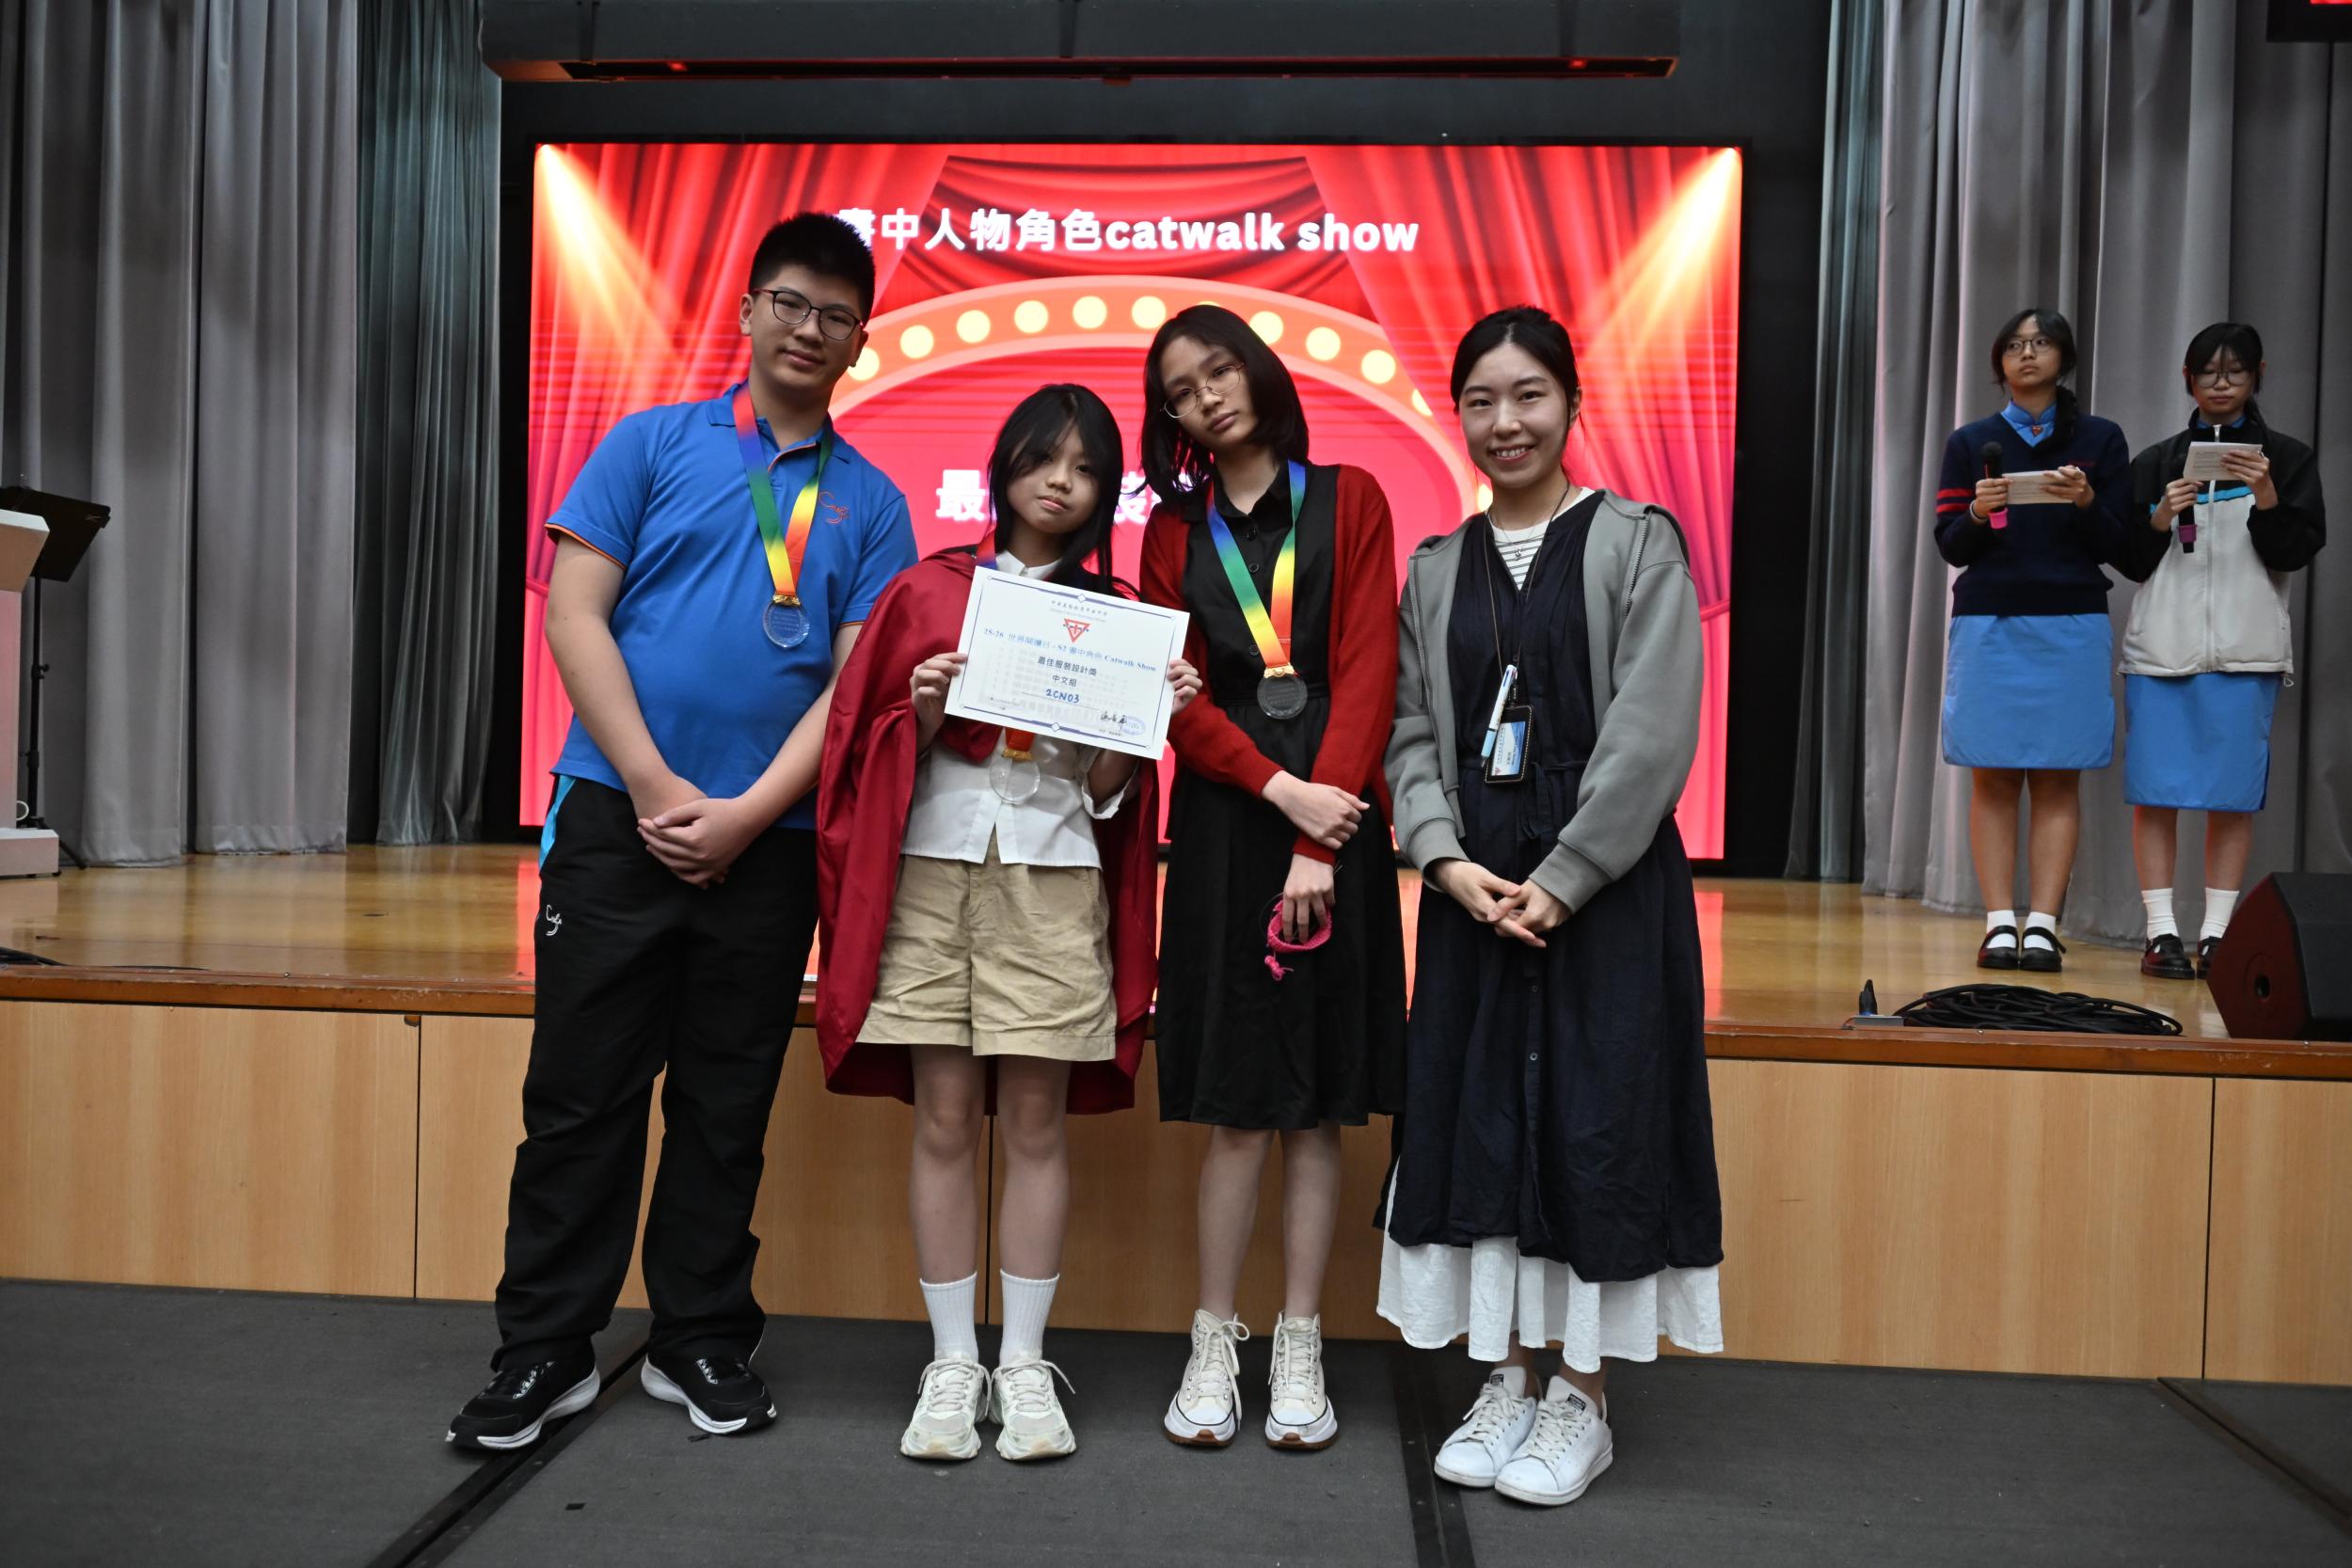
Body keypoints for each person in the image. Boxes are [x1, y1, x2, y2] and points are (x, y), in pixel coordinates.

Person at [448, 214, 916, 1450]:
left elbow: (854, 687)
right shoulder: (650, 444)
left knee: (725, 1103)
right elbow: (576, 615)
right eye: (790, 303)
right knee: (580, 1095)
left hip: (770, 839)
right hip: (617, 817)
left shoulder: (874, 503)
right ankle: (544, 1346)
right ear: (749, 310)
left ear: (859, 341)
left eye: (835, 316)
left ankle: (699, 1334)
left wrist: (750, 812)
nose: (809, 329)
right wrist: (655, 785)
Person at [814, 386, 1199, 1463]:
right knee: (942, 1116)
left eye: (1084, 466)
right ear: (1003, 467)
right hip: (933, 872)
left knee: (1034, 1122)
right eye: (1040, 458)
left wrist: (1145, 722)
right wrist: (923, 710)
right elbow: (861, 745)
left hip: (1053, 874)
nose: (1059, 481)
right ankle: (952, 1361)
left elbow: (1110, 794)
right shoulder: (929, 589)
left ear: (1105, 489)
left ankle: (1022, 1360)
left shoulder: (1118, 617)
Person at [1379, 306, 1724, 1508]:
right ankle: (1506, 1376)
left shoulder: (1636, 541)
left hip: (1607, 896)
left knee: (1598, 1123)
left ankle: (1583, 1392)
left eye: (1528, 394)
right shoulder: (1433, 568)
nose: (1504, 421)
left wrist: (1567, 876)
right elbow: (1409, 733)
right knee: (1481, 1124)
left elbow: (1652, 730)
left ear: (1573, 403)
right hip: (1476, 898)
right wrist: (1442, 860)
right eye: (1480, 400)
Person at [1136, 304, 1406, 1451]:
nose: (1206, 396)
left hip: (1335, 822)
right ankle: (1214, 1337)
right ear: (1171, 422)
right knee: (1237, 1107)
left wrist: (1317, 834)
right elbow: (1175, 697)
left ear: (1255, 370)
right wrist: (1277, 791)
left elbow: (1368, 670)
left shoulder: (1351, 497)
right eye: (1180, 391)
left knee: (1315, 1108)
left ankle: (1300, 1338)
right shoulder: (1170, 532)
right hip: (1227, 824)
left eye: (1217, 370)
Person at [2116, 323, 2327, 979]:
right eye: (2208, 371)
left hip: (2245, 652)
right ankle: (2160, 932)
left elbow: (2294, 551)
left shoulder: (2286, 458)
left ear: (2258, 375)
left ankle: (2217, 933)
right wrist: (2159, 517)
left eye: (2235, 371)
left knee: (2231, 797)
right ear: (2188, 379)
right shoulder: (2158, 460)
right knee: (2156, 794)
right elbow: (2128, 559)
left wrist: (2266, 498)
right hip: (2161, 651)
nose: (2222, 383)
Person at [1933, 307, 2132, 973]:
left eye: (2041, 343)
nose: (2027, 354)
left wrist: (2085, 502)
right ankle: (1998, 922)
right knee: (1991, 775)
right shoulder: (1971, 441)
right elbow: (1950, 545)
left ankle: (2043, 924)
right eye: (2015, 344)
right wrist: (1977, 511)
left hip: (2071, 621)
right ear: (1999, 361)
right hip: (1990, 621)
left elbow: (2121, 545)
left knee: (2056, 776)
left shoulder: (2100, 440)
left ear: (2063, 358)